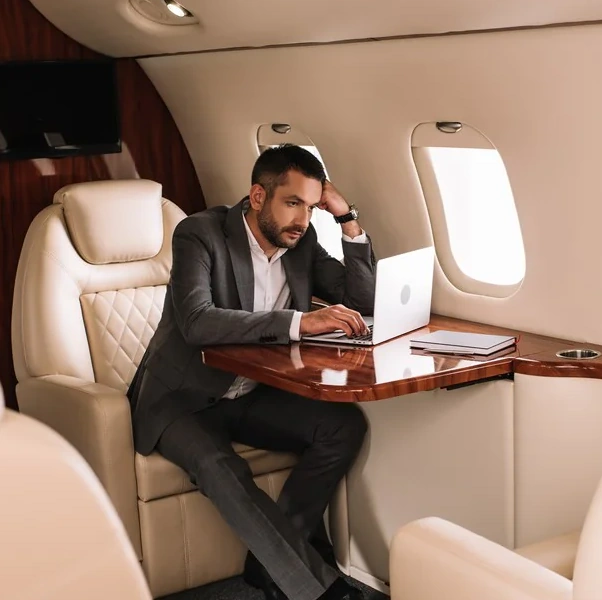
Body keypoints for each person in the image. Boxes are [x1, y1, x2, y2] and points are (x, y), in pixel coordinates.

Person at [128, 144, 377, 600]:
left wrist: (346, 218)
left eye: (310, 205)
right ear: (258, 197)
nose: (302, 219)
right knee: (223, 467)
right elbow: (197, 321)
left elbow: (362, 300)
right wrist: (300, 323)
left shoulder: (300, 242)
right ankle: (315, 591)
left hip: (250, 394)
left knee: (342, 426)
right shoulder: (199, 234)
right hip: (180, 400)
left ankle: (268, 565)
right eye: (292, 203)